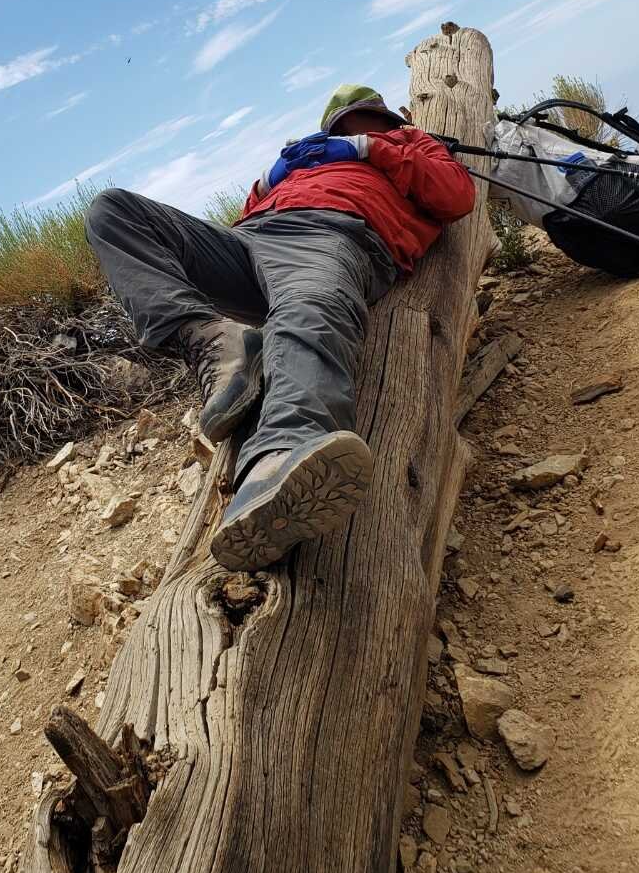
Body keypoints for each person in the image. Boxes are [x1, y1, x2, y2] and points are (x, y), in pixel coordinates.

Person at [85, 83, 475, 572]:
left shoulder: (411, 143)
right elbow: (247, 213)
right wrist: (269, 181)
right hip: (251, 239)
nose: (351, 133)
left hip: (332, 233)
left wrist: (370, 150)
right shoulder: (305, 159)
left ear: (385, 120)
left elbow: (456, 195)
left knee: (307, 311)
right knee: (113, 211)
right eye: (343, 129)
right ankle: (212, 338)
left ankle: (278, 458)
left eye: (364, 124)